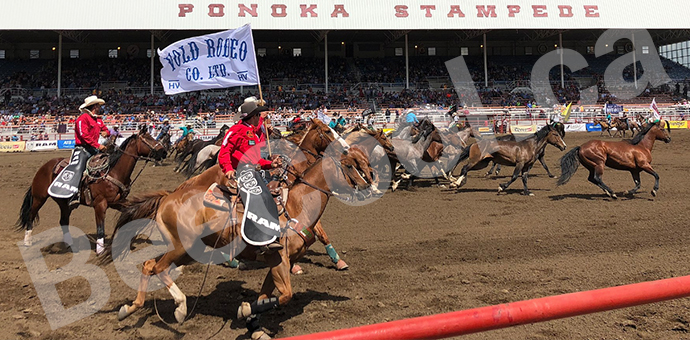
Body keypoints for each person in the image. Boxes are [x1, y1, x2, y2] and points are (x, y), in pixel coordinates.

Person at [218, 99, 283, 254]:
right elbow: (224, 152)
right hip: (242, 172)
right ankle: (262, 240)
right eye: (257, 116)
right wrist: (227, 168)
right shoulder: (236, 130)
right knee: (261, 197)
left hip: (252, 170)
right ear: (252, 117)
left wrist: (269, 165)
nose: (259, 118)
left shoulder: (251, 132)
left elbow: (254, 160)